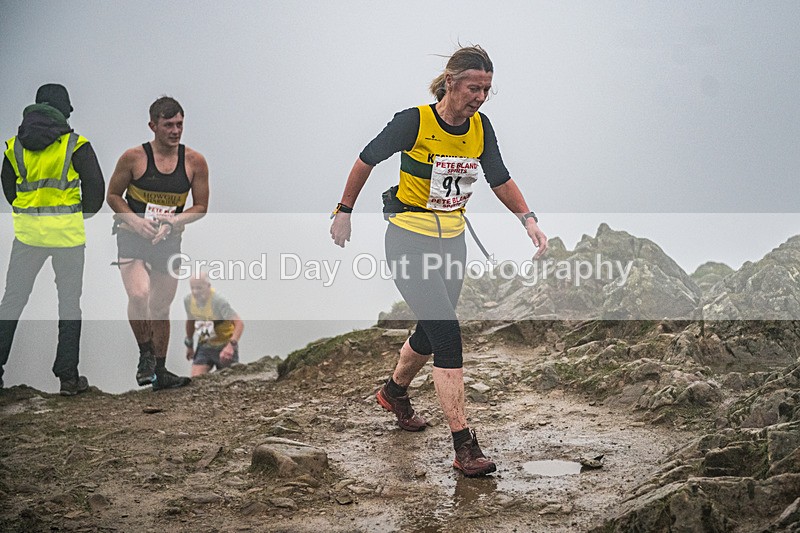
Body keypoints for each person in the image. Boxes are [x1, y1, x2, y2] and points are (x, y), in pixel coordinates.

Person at [330, 46, 548, 477]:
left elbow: (499, 177)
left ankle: (393, 392)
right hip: (409, 242)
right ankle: (464, 446)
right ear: (450, 82)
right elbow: (365, 160)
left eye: (486, 90)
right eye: (473, 88)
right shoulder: (414, 122)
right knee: (447, 333)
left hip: (453, 243)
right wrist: (344, 211)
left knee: (430, 332)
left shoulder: (481, 128)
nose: (480, 98)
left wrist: (528, 219)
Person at [0, 84, 105, 395]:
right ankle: (68, 378)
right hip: (67, 237)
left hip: (28, 236)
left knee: (12, 301)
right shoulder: (76, 145)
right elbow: (96, 192)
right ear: (64, 110)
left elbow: (10, 192)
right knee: (69, 305)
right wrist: (75, 215)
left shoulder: (13, 147)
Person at [107, 96, 209, 391]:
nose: (175, 131)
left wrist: (173, 222)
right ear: (153, 126)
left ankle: (160, 372)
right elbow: (112, 195)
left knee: (161, 306)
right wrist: (135, 222)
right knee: (139, 294)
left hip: (167, 239)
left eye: (179, 124)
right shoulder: (133, 158)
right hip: (132, 235)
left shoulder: (194, 162)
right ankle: (145, 357)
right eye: (168, 125)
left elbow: (201, 206)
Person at [183, 272, 244, 376]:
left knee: (229, 380)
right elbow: (190, 321)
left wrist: (230, 346)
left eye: (199, 288)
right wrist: (189, 344)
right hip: (205, 345)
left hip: (224, 345)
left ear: (208, 286)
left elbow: (239, 324)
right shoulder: (188, 300)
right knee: (195, 380)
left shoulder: (218, 301)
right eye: (192, 288)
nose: (195, 292)